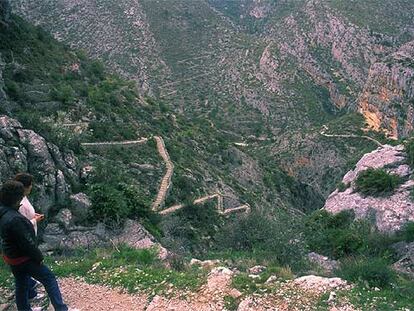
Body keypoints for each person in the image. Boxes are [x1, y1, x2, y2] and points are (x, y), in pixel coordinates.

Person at [0, 180, 73, 311]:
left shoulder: (3, 212)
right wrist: (39, 257)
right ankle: (61, 308)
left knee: (21, 284)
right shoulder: (15, 219)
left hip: (11, 256)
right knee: (49, 278)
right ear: (17, 198)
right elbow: (27, 244)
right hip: (23, 258)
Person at [14, 173, 44, 301]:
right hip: (25, 238)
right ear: (26, 186)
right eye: (30, 184)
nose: (32, 187)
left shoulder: (23, 198)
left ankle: (30, 290)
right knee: (26, 266)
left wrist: (33, 215)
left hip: (29, 235)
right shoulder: (20, 203)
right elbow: (22, 225)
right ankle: (29, 293)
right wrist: (35, 220)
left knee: (24, 268)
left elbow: (25, 217)